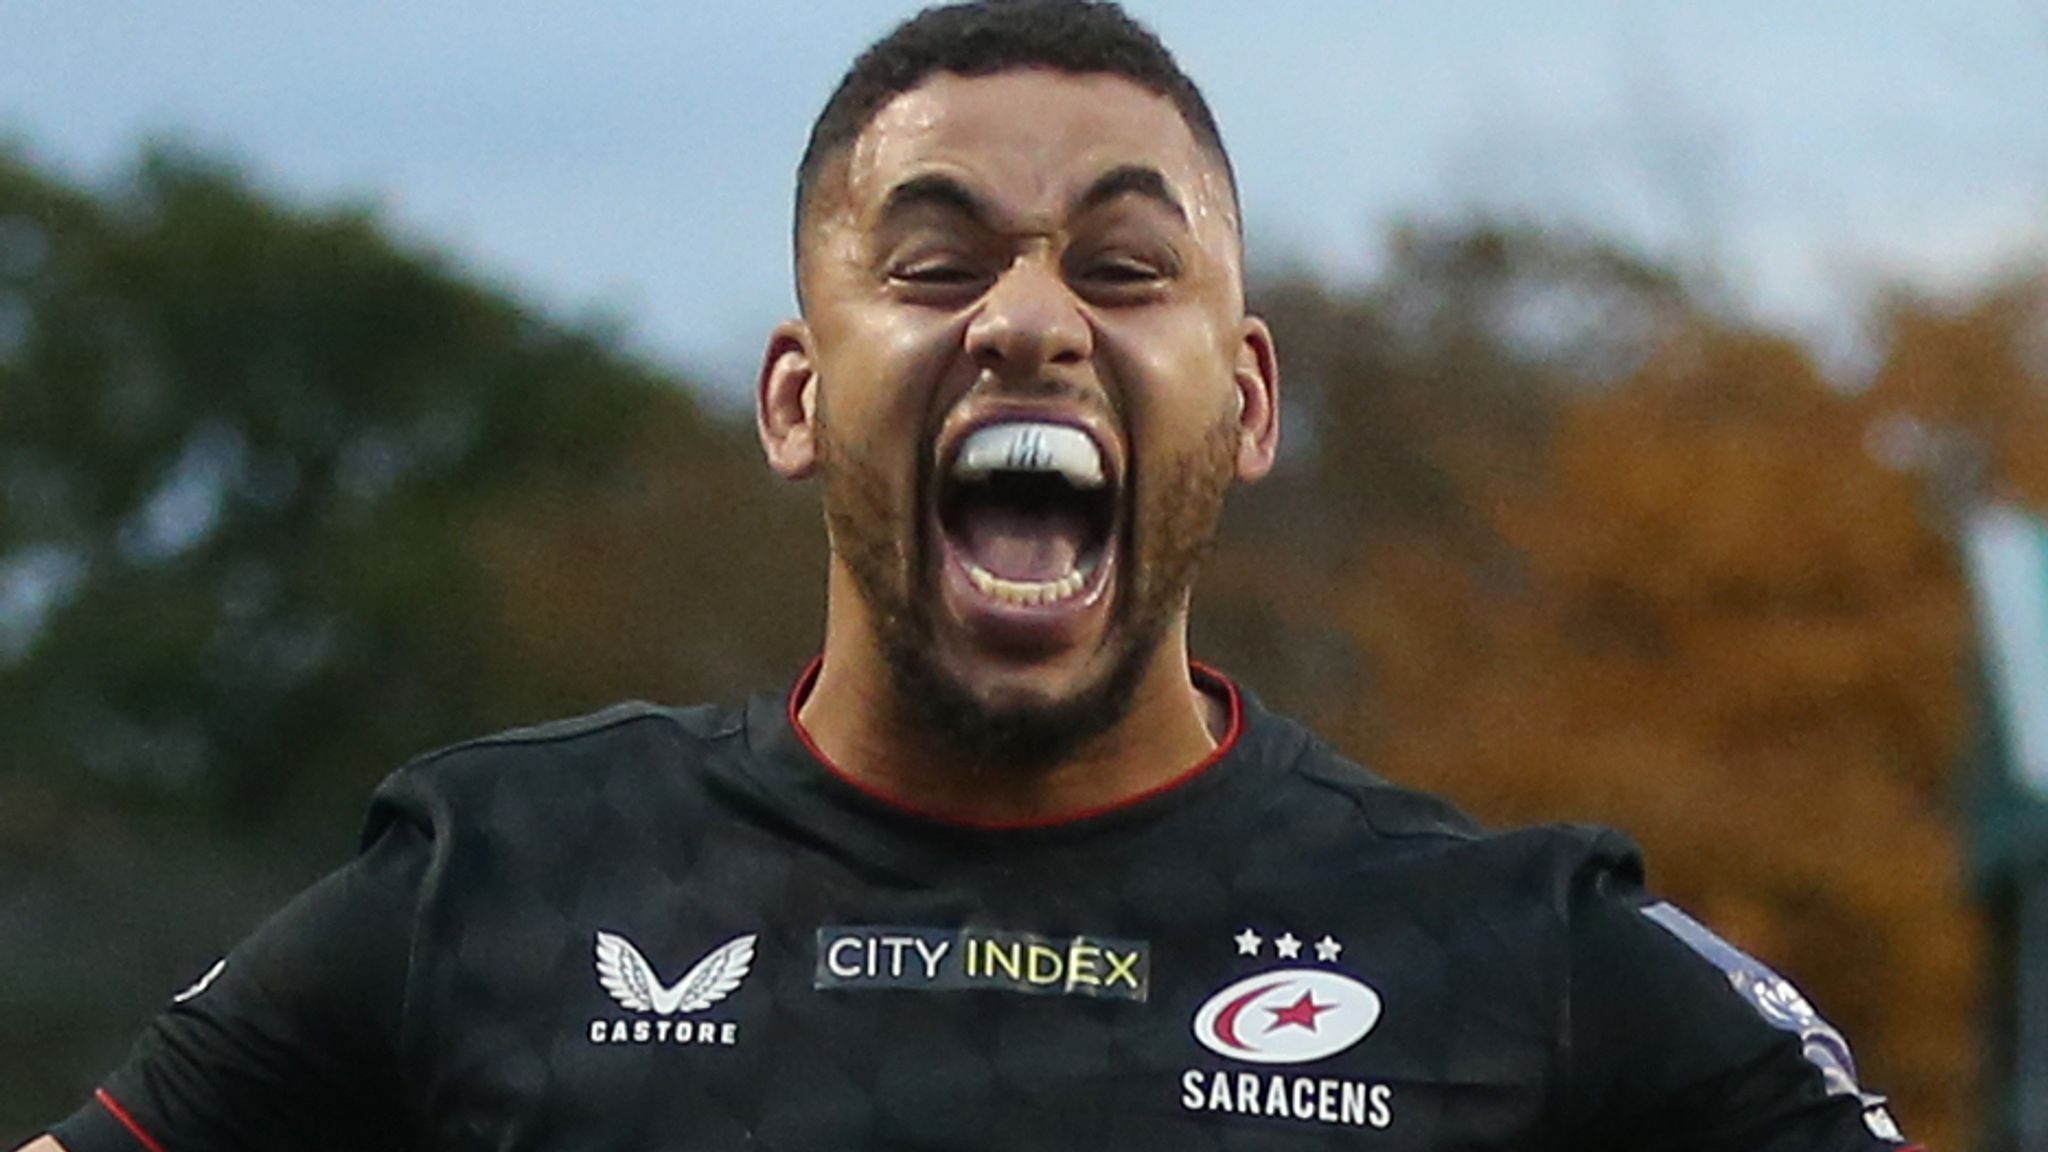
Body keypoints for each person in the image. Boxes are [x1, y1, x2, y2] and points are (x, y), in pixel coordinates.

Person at [22, 2, 1921, 1149]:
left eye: (1124, 268)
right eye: (935, 266)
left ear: (1247, 400)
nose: (1028, 320)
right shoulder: (492, 887)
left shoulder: (1517, 956)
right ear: (797, 396)